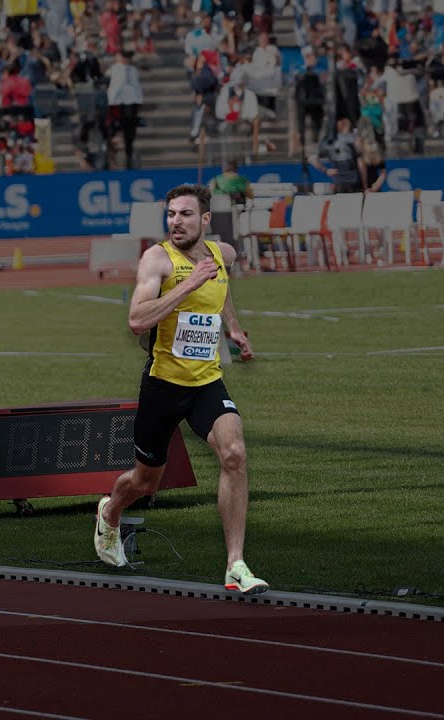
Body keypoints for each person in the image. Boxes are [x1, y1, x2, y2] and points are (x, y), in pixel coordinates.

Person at [93, 184, 268, 596]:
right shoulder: (157, 260)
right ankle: (110, 511)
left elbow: (219, 287)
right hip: (163, 386)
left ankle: (236, 565)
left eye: (186, 214)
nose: (176, 221)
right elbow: (137, 320)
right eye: (171, 214)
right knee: (145, 482)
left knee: (234, 454)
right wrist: (188, 285)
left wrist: (234, 329)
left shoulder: (222, 255)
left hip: (206, 381)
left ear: (205, 220)